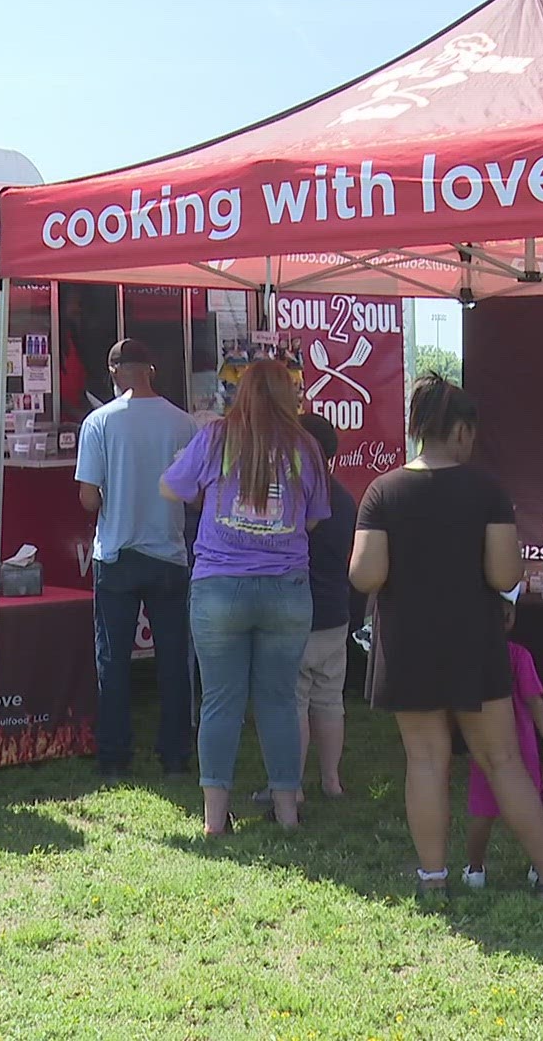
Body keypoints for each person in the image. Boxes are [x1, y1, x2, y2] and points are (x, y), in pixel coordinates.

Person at [350, 373, 543, 905]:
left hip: (408, 643)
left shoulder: (383, 491)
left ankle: (432, 880)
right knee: (503, 761)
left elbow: (365, 575)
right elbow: (503, 576)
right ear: (464, 431)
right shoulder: (487, 490)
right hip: (476, 642)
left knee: (425, 760)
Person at [161, 359, 329, 834]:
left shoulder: (216, 437)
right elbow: (315, 517)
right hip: (286, 589)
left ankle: (215, 820)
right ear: (288, 396)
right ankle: (288, 814)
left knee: (220, 702)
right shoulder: (306, 446)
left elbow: (170, 486)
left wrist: (207, 496)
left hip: (219, 587)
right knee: (278, 700)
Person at [76, 339, 198, 777]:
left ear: (113, 374)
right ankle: (176, 754)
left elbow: (88, 499)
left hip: (117, 553)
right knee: (173, 658)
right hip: (168, 552)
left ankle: (114, 756)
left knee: (113, 659)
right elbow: (195, 493)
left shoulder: (98, 423)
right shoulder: (184, 424)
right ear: (151, 369)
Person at [462, 587, 543, 888]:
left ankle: (532, 865)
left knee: (523, 809)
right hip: (493, 751)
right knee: (485, 814)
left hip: (514, 752)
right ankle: (476, 867)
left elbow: (535, 701)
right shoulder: (491, 658)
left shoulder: (518, 657)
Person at [281, 413, 356, 801]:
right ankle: (331, 781)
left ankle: (289, 787)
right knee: (329, 700)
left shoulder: (296, 496)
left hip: (297, 613)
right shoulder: (344, 498)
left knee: (292, 703)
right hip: (336, 614)